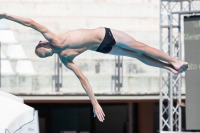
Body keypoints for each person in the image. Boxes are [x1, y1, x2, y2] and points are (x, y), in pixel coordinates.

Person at [0, 13, 188, 122]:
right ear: (44, 44)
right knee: (141, 47)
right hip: (104, 36)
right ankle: (174, 61)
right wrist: (5, 14)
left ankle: (168, 68)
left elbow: (84, 79)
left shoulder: (65, 58)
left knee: (137, 55)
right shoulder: (54, 38)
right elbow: (30, 23)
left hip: (101, 49)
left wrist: (95, 102)